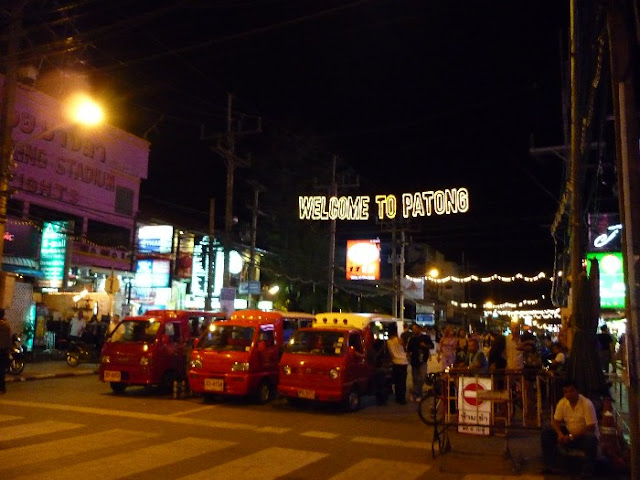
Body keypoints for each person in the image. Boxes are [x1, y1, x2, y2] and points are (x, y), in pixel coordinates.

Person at [540, 380, 600, 476]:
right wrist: (560, 434)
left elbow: (590, 427)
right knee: (547, 431)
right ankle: (550, 465)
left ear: (577, 391)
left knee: (590, 438)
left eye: (571, 391)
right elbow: (555, 421)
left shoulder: (586, 404)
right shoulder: (563, 402)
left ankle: (587, 470)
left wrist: (571, 436)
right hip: (569, 433)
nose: (568, 394)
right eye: (566, 392)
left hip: (582, 436)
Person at [407, 323, 434, 401]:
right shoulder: (412, 339)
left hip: (423, 361)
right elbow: (408, 350)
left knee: (423, 377)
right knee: (415, 379)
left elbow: (432, 346)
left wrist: (425, 345)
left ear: (419, 328)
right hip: (414, 360)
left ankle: (414, 392)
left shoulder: (425, 337)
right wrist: (408, 357)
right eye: (413, 329)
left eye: (416, 328)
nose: (415, 330)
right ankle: (418, 394)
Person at [387, 323, 408, 404]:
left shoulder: (388, 341)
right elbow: (405, 349)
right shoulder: (399, 340)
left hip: (395, 362)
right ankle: (402, 399)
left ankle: (397, 397)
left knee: (397, 381)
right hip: (403, 361)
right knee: (402, 381)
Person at [0, 309, 11, 394]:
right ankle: (3, 388)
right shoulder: (7, 326)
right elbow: (9, 339)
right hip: (4, 351)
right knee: (2, 370)